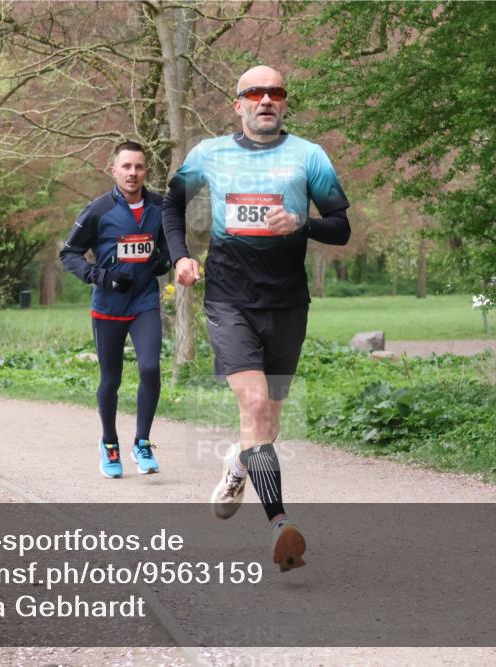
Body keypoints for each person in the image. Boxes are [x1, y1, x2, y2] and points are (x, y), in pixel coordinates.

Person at [162, 66, 351, 572]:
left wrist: (302, 223)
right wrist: (180, 255)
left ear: (284, 103)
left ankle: (238, 461)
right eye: (255, 93)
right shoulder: (208, 154)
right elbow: (171, 207)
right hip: (229, 298)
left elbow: (341, 227)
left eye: (275, 92)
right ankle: (280, 525)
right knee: (254, 406)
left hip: (288, 302)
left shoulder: (309, 156)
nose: (265, 99)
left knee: (268, 422)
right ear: (238, 104)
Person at [61, 141, 172, 478]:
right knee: (111, 379)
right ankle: (109, 443)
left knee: (150, 368)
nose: (133, 173)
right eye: (126, 167)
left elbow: (169, 244)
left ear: (145, 171)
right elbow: (69, 254)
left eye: (138, 167)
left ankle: (142, 441)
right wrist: (100, 277)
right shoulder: (98, 210)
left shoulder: (159, 206)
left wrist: (163, 260)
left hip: (144, 302)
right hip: (108, 306)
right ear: (114, 170)